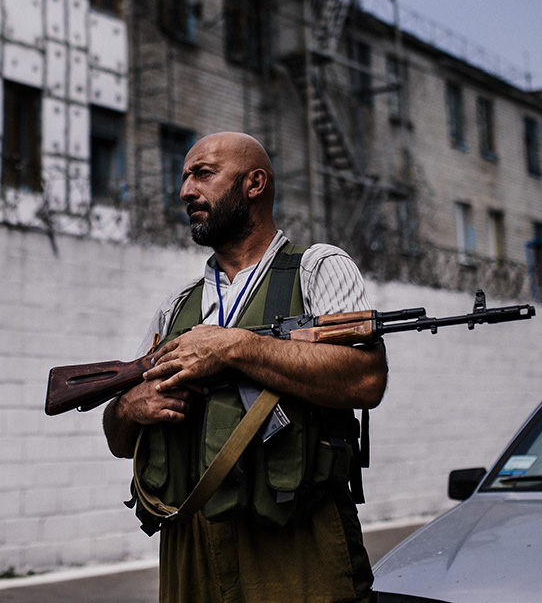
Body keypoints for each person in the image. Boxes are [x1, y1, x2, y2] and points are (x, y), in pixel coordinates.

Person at [103, 132, 388, 603]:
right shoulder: (176, 307)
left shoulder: (318, 268)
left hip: (294, 539)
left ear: (254, 183)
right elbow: (119, 442)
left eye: (203, 174)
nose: (186, 191)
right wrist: (131, 407)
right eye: (184, 177)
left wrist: (235, 348)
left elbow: (365, 378)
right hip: (189, 541)